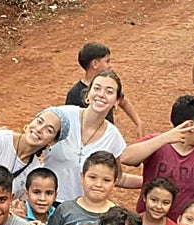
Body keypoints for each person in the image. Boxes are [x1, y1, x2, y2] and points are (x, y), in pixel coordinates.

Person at [43, 71, 136, 203]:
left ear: (117, 101)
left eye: (109, 92)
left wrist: (149, 181)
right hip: (45, 204)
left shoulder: (113, 137)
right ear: (88, 93)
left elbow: (119, 178)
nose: (101, 95)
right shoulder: (62, 116)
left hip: (82, 210)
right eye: (97, 88)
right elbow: (30, 143)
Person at [122, 95, 194, 220]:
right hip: (148, 224)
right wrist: (164, 138)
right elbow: (126, 157)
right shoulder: (157, 143)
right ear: (190, 125)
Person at [0, 109, 66, 199]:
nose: (39, 129)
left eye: (48, 130)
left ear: (52, 142)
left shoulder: (34, 169)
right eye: (39, 122)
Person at [64, 41, 144, 138]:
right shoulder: (75, 94)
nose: (110, 65)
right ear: (95, 64)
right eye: (107, 61)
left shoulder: (109, 84)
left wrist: (138, 122)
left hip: (107, 138)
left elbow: (123, 102)